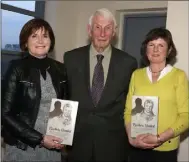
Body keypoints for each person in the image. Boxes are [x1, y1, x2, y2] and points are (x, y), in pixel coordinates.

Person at [63, 8, 137, 162]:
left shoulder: (128, 63)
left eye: (107, 28)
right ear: (89, 30)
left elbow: (131, 104)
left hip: (113, 145)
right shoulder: (71, 58)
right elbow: (64, 97)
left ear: (114, 32)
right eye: (98, 27)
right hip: (78, 143)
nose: (102, 33)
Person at [2, 18, 68, 162]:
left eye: (45, 36)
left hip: (53, 146)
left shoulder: (60, 69)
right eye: (34, 36)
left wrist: (65, 135)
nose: (40, 40)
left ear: (51, 41)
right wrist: (40, 139)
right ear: (26, 42)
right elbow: (5, 115)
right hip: (23, 146)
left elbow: (64, 107)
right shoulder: (16, 68)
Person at [124, 27, 189, 162]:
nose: (155, 50)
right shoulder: (137, 75)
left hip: (165, 149)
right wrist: (131, 138)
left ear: (169, 50)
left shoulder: (179, 76)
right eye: (151, 45)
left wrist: (160, 138)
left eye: (161, 45)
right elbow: (128, 111)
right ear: (145, 49)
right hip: (137, 146)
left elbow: (185, 115)